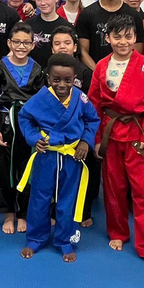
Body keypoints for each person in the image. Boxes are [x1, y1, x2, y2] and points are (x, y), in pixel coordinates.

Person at [88, 14, 144, 271]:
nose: (122, 41)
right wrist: (96, 138)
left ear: (135, 38)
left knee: (143, 192)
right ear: (107, 38)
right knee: (113, 188)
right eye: (116, 36)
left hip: (138, 134)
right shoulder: (101, 66)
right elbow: (94, 105)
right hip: (110, 132)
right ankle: (118, 232)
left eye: (128, 36)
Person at [17, 54, 100, 263]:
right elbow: (24, 118)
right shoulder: (40, 99)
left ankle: (65, 241)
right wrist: (35, 137)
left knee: (67, 200)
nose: (62, 84)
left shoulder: (81, 98)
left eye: (67, 80)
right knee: (39, 198)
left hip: (72, 156)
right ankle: (35, 239)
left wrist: (85, 142)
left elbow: (93, 119)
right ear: (47, 77)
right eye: (56, 79)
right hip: (47, 155)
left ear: (74, 79)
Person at [0, 22, 45, 235]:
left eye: (26, 43)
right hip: (6, 122)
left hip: (29, 123)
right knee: (5, 168)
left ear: (32, 45)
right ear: (9, 43)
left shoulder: (37, 68)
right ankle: (9, 213)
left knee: (27, 167)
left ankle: (22, 212)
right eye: (17, 42)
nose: (21, 46)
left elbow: (41, 101)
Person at [50, 26, 99, 227]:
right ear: (52, 48)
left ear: (75, 46)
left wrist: (87, 140)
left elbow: (92, 112)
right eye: (57, 43)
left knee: (83, 172)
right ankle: (53, 212)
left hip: (79, 133)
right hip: (54, 134)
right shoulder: (47, 72)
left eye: (67, 43)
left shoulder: (85, 73)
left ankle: (84, 211)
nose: (62, 47)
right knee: (53, 175)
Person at [76, 0, 144, 70]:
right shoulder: (87, 14)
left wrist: (121, 73)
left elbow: (137, 51)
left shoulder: (133, 15)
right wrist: (100, 73)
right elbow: (83, 52)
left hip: (126, 75)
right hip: (95, 75)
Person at [25, 0, 74, 69]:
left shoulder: (67, 27)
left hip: (58, 76)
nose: (43, 3)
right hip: (32, 76)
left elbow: (73, 57)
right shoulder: (28, 26)